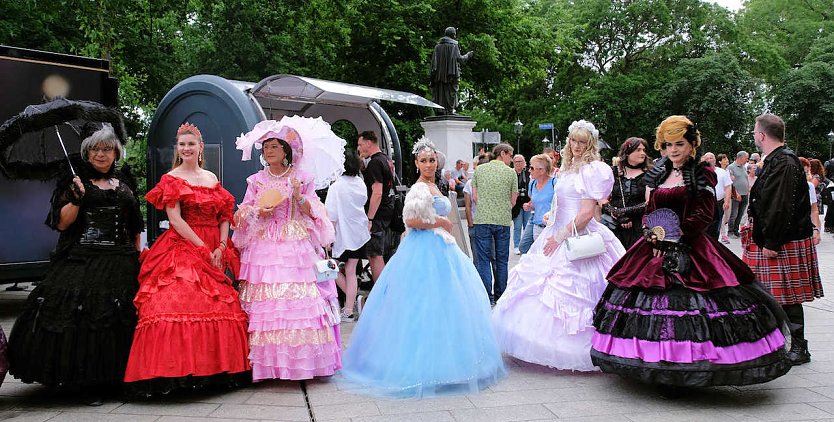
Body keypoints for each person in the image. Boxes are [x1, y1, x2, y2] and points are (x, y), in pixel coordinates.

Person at [592, 115, 791, 390]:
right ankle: (654, 364)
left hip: (691, 246)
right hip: (653, 246)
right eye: (668, 144)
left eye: (680, 144)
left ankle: (689, 366)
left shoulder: (702, 173)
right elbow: (651, 209)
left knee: (695, 302)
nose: (673, 150)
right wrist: (652, 234)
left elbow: (705, 213)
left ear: (692, 144)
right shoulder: (659, 172)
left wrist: (677, 235)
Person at [341, 138, 506, 398]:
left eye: (432, 160)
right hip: (423, 249)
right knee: (421, 304)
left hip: (441, 248)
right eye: (424, 161)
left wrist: (440, 223)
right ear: (417, 163)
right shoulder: (419, 188)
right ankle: (418, 363)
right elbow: (411, 220)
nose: (429, 164)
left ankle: (447, 359)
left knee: (445, 305)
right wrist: (439, 221)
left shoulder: (434, 185)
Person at [8, 126, 143, 405]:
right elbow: (61, 223)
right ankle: (84, 382)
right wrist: (78, 198)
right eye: (95, 149)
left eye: (106, 149)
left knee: (120, 319)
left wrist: (138, 256)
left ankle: (117, 378)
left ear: (116, 152)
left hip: (121, 260)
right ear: (87, 152)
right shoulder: (74, 182)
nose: (100, 154)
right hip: (82, 258)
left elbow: (135, 226)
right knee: (84, 318)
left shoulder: (125, 182)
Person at [123, 123, 250, 396]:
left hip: (215, 246)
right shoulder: (172, 178)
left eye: (191, 144)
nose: (186, 148)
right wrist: (202, 247)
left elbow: (225, 215)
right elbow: (175, 219)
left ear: (200, 147)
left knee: (222, 305)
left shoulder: (211, 177)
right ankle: (175, 373)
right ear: (177, 149)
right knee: (172, 301)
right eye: (182, 145)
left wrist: (221, 245)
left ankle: (215, 372)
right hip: (184, 245)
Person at [492, 120, 625, 371]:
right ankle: (536, 348)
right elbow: (561, 202)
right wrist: (550, 219)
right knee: (535, 287)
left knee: (574, 292)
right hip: (556, 230)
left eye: (582, 141)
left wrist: (560, 235)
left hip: (576, 235)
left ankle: (578, 350)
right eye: (574, 140)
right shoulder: (567, 167)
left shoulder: (591, 170)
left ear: (590, 144)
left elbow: (586, 214)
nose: (576, 145)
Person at [231, 121, 341, 381]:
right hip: (264, 245)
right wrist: (260, 210)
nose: (269, 151)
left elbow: (315, 212)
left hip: (296, 244)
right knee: (268, 304)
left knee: (299, 302)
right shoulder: (256, 180)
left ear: (285, 150)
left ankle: (300, 363)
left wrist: (299, 196)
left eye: (274, 146)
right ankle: (269, 365)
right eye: (266, 147)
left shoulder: (301, 177)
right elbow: (242, 213)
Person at [743, 114, 823, 366]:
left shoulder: (784, 162)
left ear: (763, 135)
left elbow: (780, 205)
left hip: (780, 240)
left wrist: (771, 243)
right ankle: (776, 343)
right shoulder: (778, 160)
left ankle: (799, 348)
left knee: (787, 297)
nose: (754, 135)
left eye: (756, 131)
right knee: (769, 295)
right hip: (774, 236)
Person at [326, 150, 371, 321]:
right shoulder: (360, 182)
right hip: (359, 233)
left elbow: (331, 216)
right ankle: (349, 308)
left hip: (343, 234)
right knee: (351, 270)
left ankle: (349, 304)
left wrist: (329, 239)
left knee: (332, 269)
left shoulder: (336, 186)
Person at [472, 143, 518, 305]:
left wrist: (486, 206)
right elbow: (513, 200)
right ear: (503, 153)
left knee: (483, 260)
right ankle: (500, 295)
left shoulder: (479, 170)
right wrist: (501, 207)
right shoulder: (511, 173)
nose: (511, 160)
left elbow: (475, 197)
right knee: (502, 260)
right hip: (503, 220)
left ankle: (487, 297)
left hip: (482, 219)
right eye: (511, 156)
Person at [357, 131, 394, 284]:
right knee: (380, 254)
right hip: (388, 212)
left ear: (368, 143)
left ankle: (381, 293)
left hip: (378, 215)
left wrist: (370, 218)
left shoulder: (375, 163)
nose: (358, 148)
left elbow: (377, 192)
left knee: (375, 255)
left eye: (360, 144)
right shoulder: (385, 159)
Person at [602, 137, 651, 248]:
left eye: (644, 150)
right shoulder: (613, 172)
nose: (642, 153)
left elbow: (649, 202)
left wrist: (625, 211)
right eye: (638, 150)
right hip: (615, 227)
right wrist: (616, 213)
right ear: (628, 152)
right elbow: (602, 199)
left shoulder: (649, 174)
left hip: (639, 228)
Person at [517, 154, 556, 253]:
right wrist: (529, 206)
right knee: (524, 247)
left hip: (550, 225)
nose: (529, 170)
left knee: (546, 254)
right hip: (536, 223)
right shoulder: (532, 184)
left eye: (532, 168)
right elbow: (534, 203)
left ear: (542, 170)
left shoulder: (555, 183)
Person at [430, 27, 473, 115]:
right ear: (453, 34)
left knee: (440, 92)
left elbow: (433, 64)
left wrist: (432, 76)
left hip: (439, 76)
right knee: (450, 92)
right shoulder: (454, 46)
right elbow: (460, 59)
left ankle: (440, 110)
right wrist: (468, 55)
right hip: (451, 75)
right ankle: (449, 110)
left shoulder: (437, 47)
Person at [702, 152, 732, 240]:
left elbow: (728, 187)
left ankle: (714, 243)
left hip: (719, 203)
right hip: (704, 204)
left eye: (711, 158)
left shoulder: (722, 172)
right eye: (707, 158)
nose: (709, 160)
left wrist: (727, 201)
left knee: (716, 226)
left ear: (715, 160)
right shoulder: (699, 172)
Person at [727, 151, 750, 237]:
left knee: (740, 214)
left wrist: (747, 189)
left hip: (745, 194)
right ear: (740, 158)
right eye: (746, 158)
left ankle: (736, 231)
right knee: (734, 213)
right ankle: (730, 231)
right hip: (736, 194)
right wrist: (736, 193)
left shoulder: (744, 167)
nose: (747, 160)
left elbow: (745, 179)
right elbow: (730, 182)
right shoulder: (731, 167)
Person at [511, 154, 531, 254]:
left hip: (527, 202)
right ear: (513, 163)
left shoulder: (528, 173)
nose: (519, 164)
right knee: (517, 226)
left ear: (524, 163)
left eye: (521, 161)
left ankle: (526, 245)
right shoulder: (511, 173)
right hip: (516, 204)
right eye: (517, 162)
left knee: (527, 225)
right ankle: (516, 245)